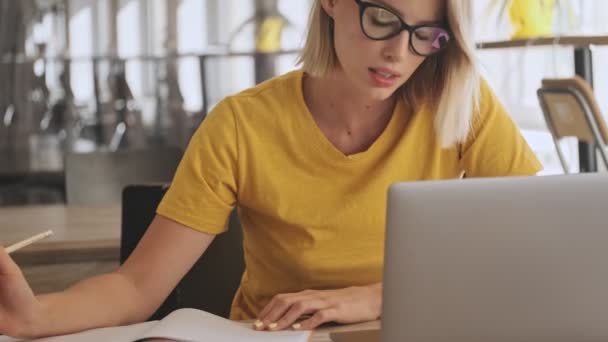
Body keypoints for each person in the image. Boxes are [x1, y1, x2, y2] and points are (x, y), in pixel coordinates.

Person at [0, 0, 542, 338]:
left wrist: (374, 296)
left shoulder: (463, 104)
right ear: (331, 2)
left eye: (427, 35)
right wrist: (34, 317)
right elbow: (138, 286)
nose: (400, 53)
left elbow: (535, 247)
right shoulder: (242, 124)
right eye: (383, 19)